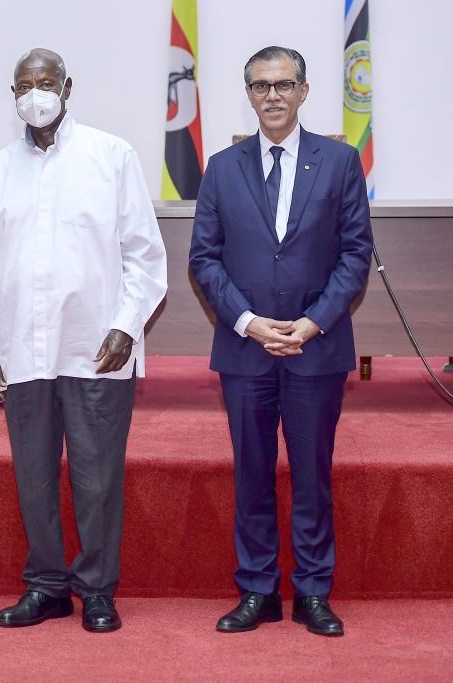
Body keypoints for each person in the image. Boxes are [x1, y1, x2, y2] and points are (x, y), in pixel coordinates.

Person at [0, 49, 168, 633]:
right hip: (22, 350)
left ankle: (97, 589)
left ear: (67, 86)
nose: (35, 93)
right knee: (34, 475)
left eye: (44, 82)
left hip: (95, 347)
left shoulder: (111, 156)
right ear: (13, 95)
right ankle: (47, 586)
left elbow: (145, 256)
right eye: (23, 85)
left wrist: (127, 324)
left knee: (97, 476)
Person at [189, 46, 373, 637]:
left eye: (284, 84)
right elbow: (204, 259)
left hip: (316, 348)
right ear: (248, 94)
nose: (273, 95)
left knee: (313, 474)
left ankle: (314, 591)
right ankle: (258, 590)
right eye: (262, 85)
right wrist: (247, 321)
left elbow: (354, 255)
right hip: (246, 350)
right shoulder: (221, 167)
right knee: (252, 473)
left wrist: (314, 321)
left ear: (303, 91)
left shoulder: (342, 162)